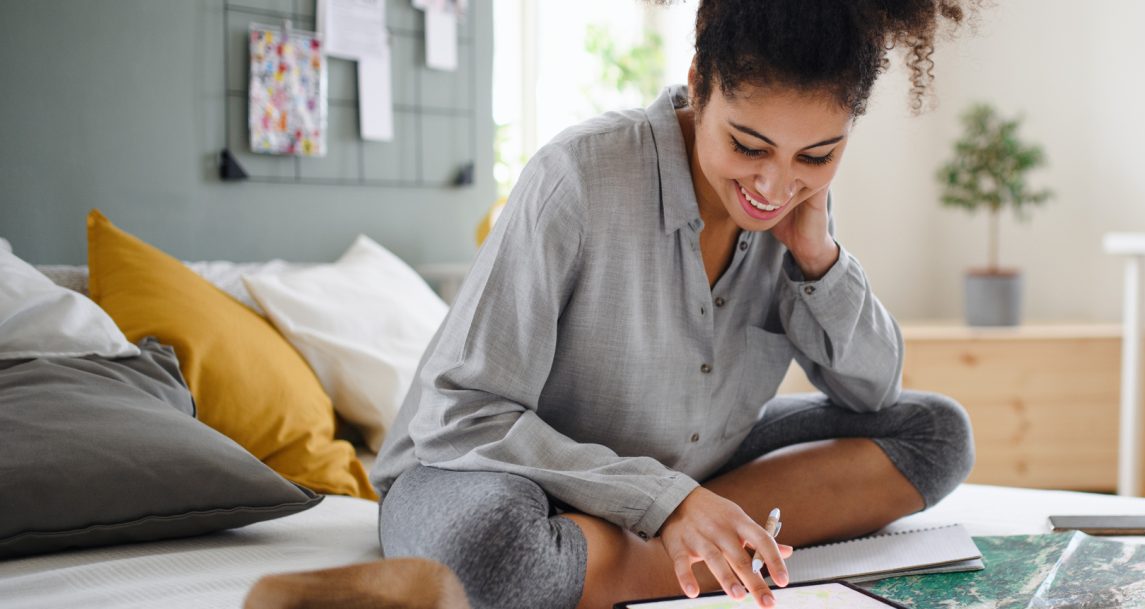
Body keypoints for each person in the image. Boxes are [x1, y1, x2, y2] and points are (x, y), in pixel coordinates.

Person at [373, 2, 982, 608]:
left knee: (937, 432)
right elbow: (463, 415)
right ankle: (684, 555)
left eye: (817, 156)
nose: (773, 187)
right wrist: (664, 500)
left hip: (693, 459)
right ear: (698, 85)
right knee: (495, 553)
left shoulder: (795, 205)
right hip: (497, 471)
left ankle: (624, 556)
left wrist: (818, 259)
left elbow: (875, 395)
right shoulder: (578, 177)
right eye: (748, 146)